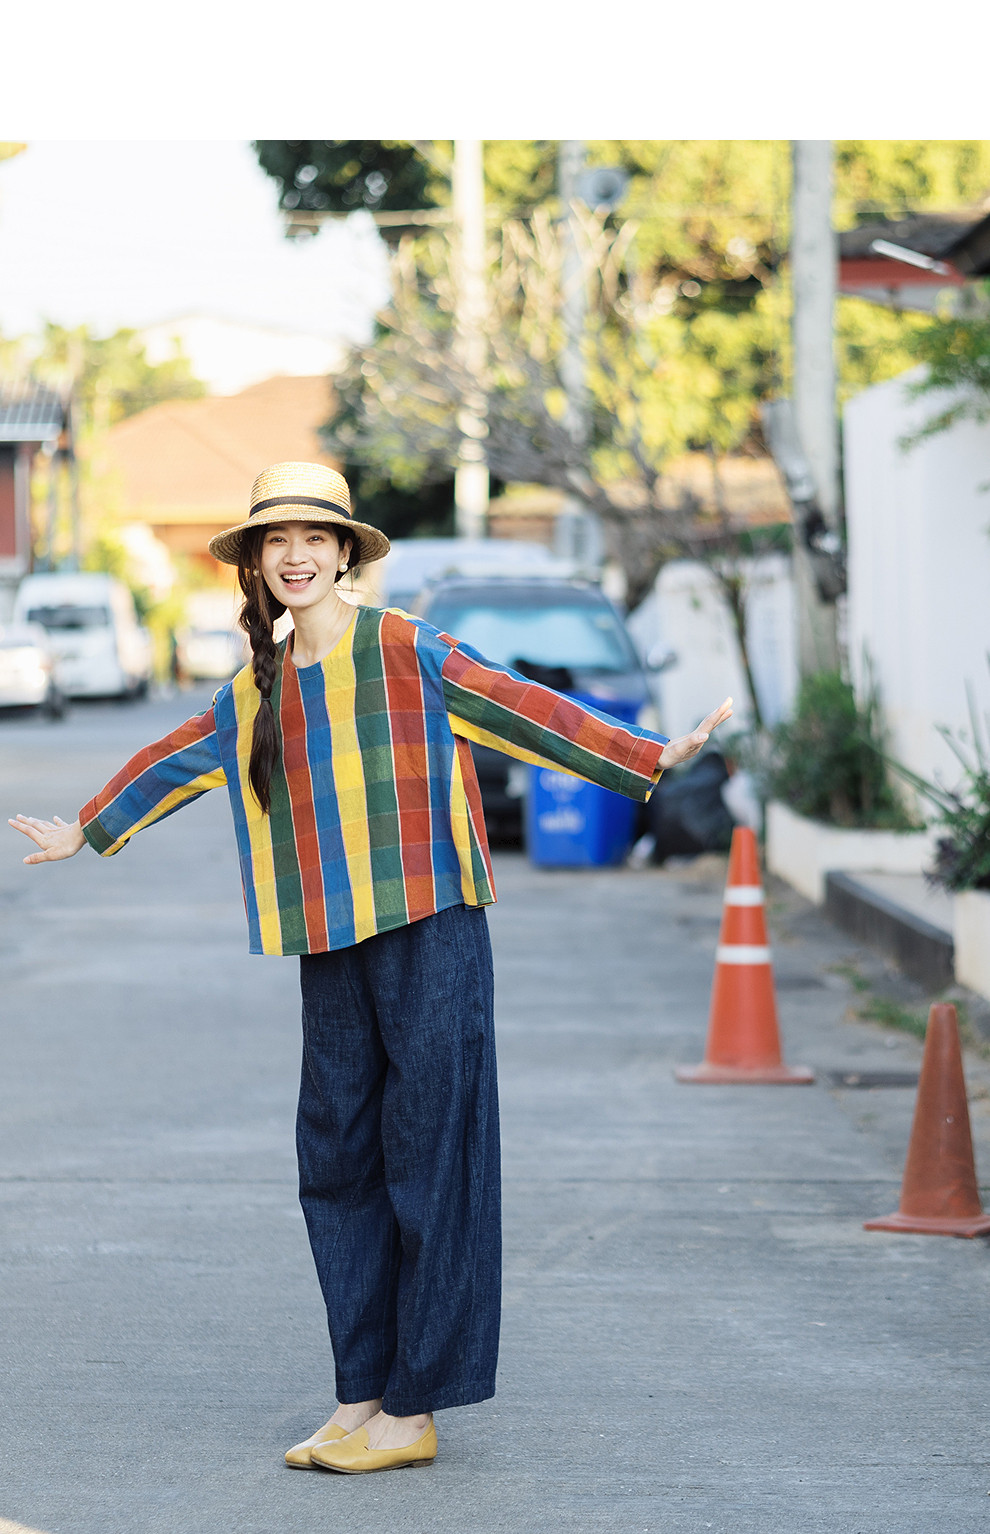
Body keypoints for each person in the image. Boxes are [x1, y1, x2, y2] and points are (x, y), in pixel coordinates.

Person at [9, 461, 732, 1476]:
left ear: (345, 551)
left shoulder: (407, 647)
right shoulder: (256, 687)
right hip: (329, 940)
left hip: (432, 925)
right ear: (257, 563)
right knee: (338, 1161)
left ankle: (414, 1406)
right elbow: (178, 758)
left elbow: (522, 707)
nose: (295, 555)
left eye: (315, 536)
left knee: (430, 1159)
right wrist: (87, 828)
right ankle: (360, 1392)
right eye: (276, 539)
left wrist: (650, 754)